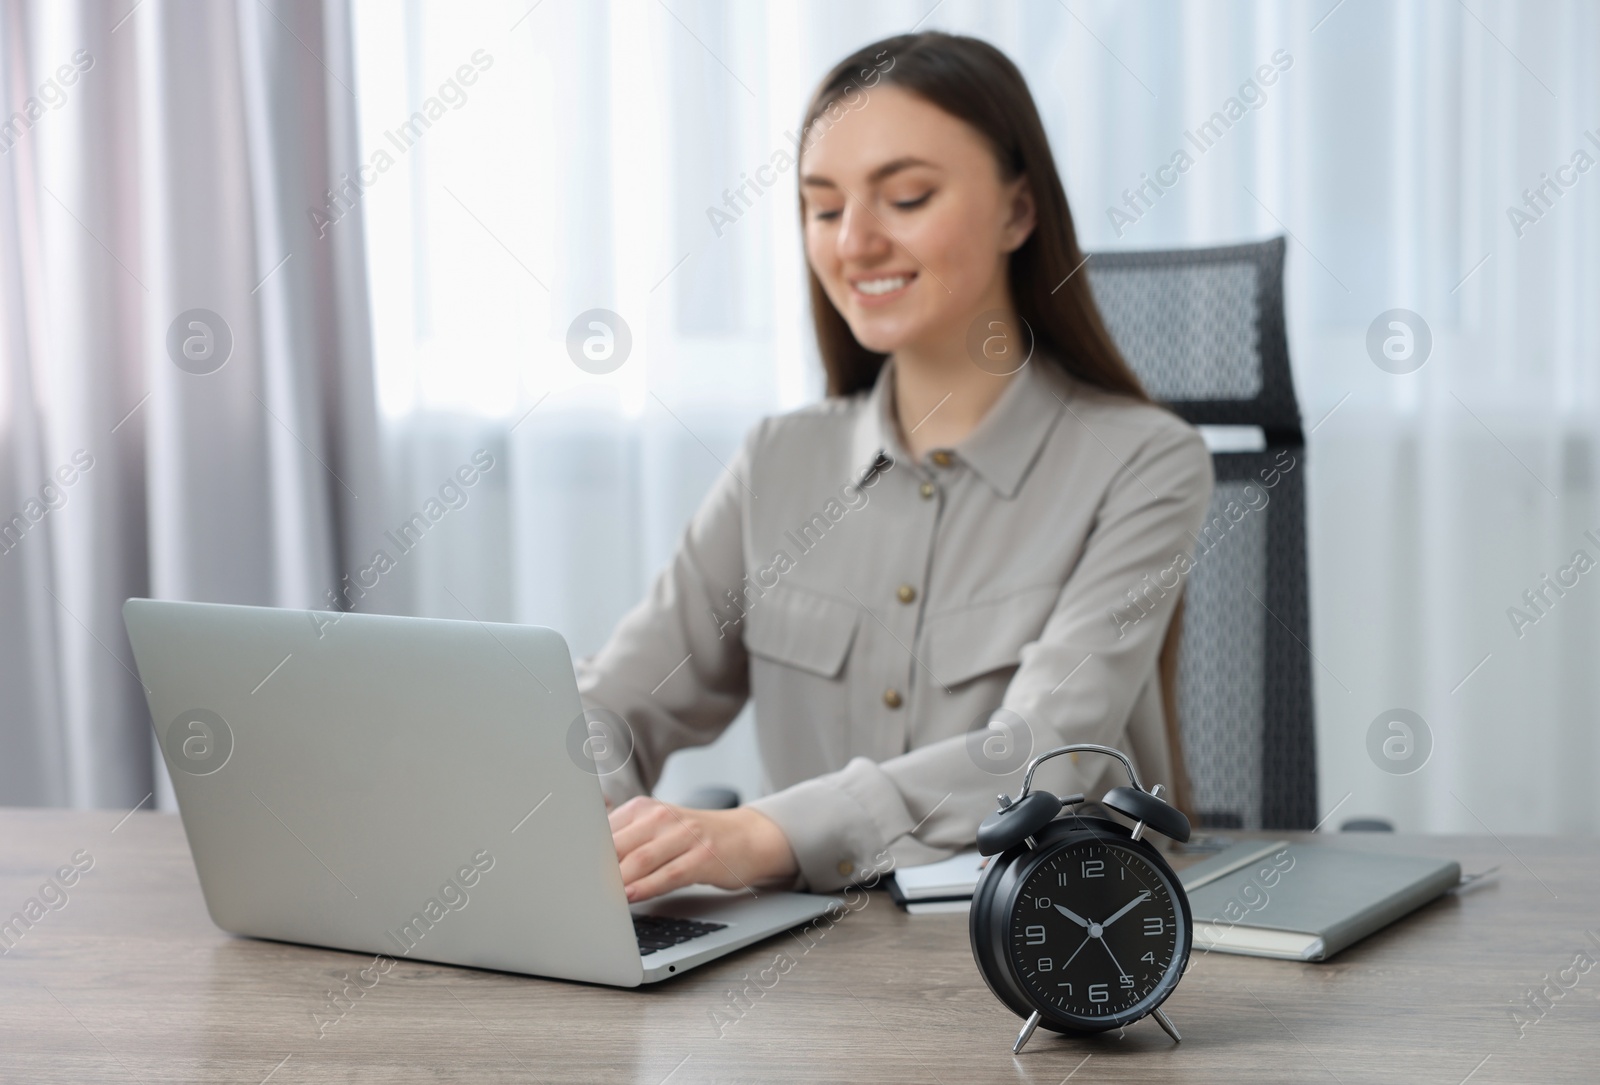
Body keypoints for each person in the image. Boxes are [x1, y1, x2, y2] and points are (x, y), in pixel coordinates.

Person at [586, 31, 1213, 902]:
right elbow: (613, 701)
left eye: (906, 196)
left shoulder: (1147, 461)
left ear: (1018, 210)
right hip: (817, 975)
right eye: (822, 206)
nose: (855, 242)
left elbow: (1041, 752)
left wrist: (765, 832)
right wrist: (592, 827)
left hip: (1054, 950)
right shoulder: (781, 458)